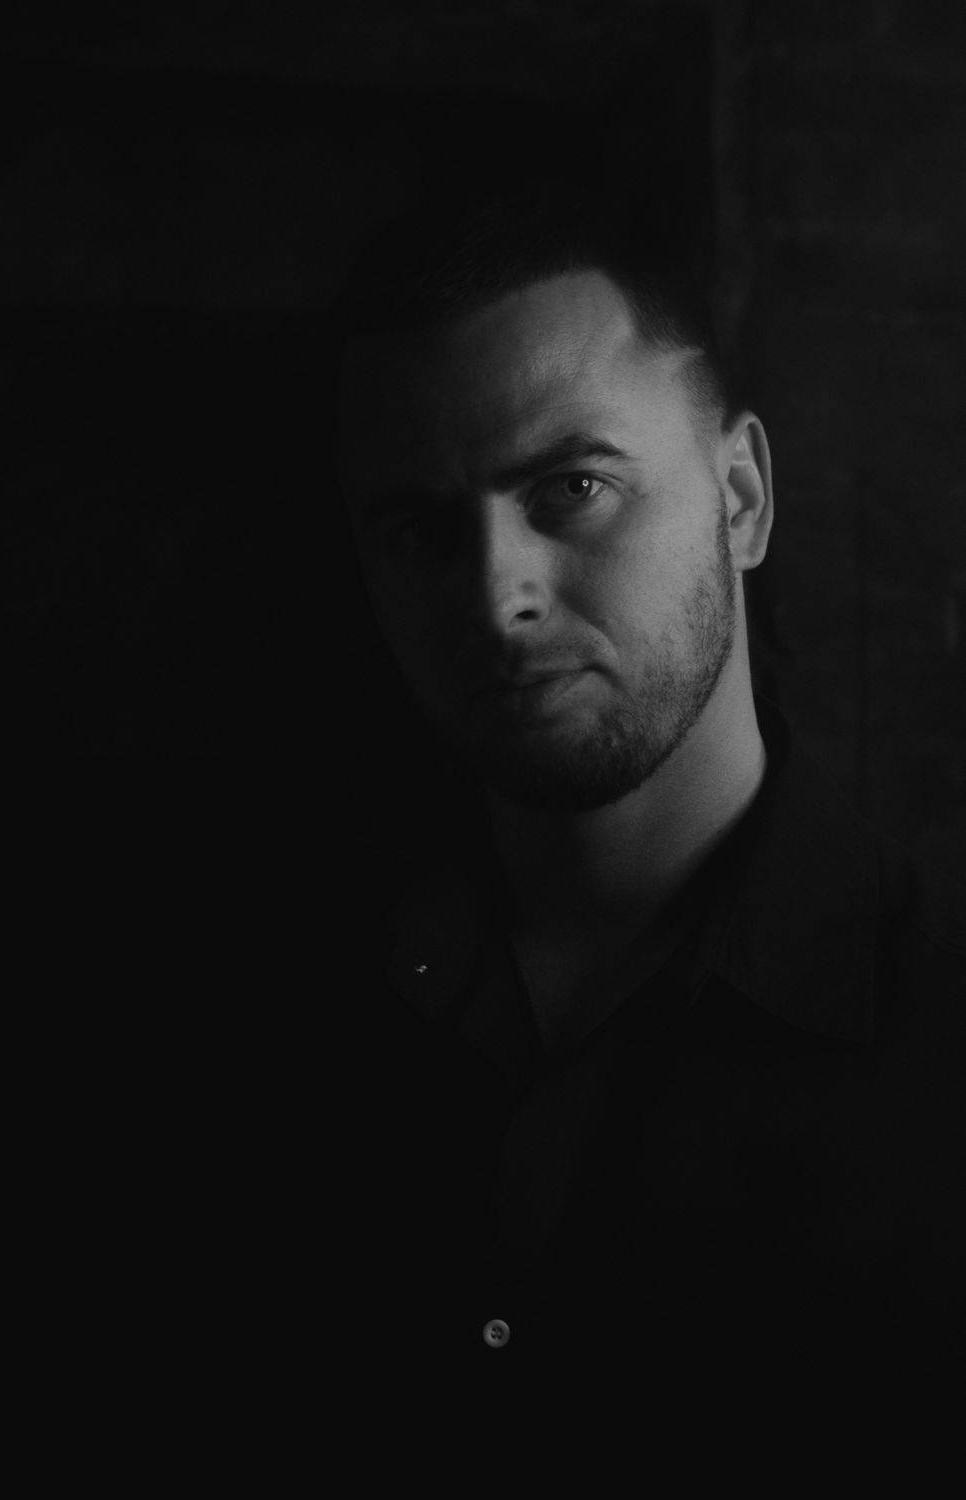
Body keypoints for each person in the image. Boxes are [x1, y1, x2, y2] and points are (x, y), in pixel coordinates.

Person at [323, 175, 966, 1411]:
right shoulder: (259, 997)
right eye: (417, 531)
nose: (497, 598)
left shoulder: (939, 1053)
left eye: (571, 488)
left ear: (741, 500)